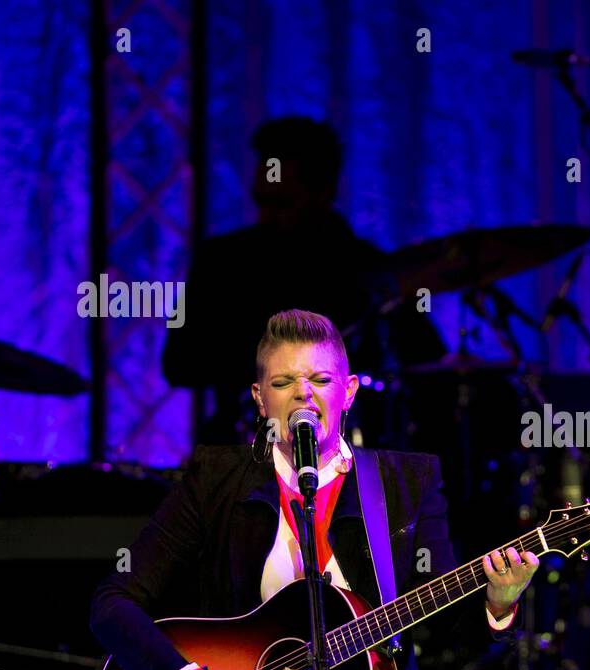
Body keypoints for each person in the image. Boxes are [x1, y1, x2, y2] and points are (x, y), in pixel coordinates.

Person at [92, 309, 538, 670]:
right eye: (283, 383)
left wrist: (498, 603)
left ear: (349, 391)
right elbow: (112, 604)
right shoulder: (215, 480)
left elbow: (444, 622)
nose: (303, 395)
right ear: (259, 398)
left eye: (321, 380)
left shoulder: (406, 482)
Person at [162, 117, 446, 446]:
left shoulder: (366, 267)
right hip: (246, 453)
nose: (265, 217)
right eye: (261, 201)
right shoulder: (223, 260)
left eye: (281, 203)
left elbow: (426, 361)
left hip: (351, 453)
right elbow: (178, 363)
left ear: (324, 193)